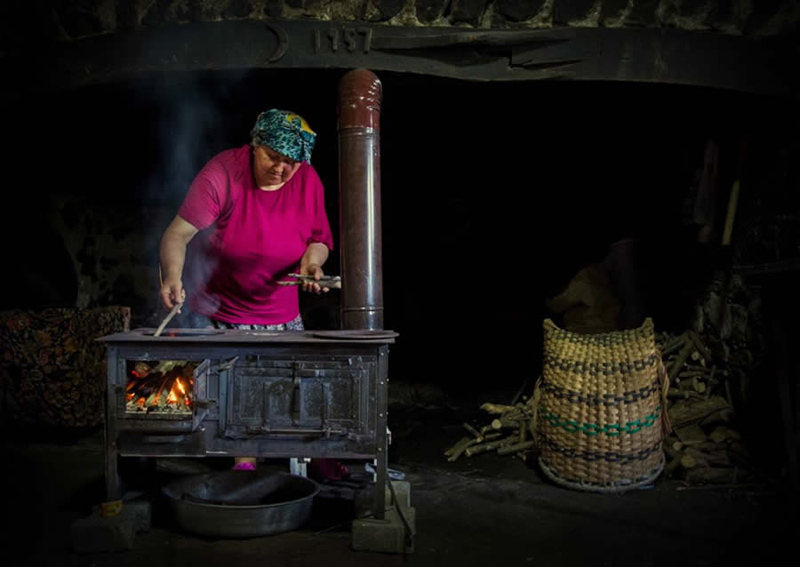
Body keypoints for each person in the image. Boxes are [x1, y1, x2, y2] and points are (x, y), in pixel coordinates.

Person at [159, 109, 335, 471]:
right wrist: (172, 276)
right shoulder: (224, 173)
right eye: (273, 157)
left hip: (281, 314)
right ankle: (243, 466)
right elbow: (178, 234)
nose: (281, 169)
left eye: (291, 163)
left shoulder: (308, 178)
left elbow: (319, 238)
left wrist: (312, 264)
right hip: (220, 313)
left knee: (289, 401)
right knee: (233, 407)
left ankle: (309, 460)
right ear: (255, 146)